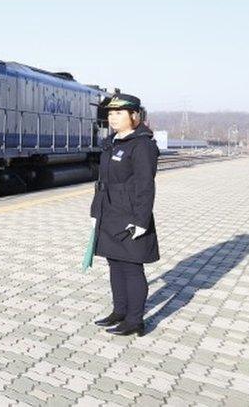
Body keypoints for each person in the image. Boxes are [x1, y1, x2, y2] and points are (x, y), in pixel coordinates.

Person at [89, 94, 160, 336]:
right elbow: (102, 182)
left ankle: (135, 320)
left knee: (131, 267)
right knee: (114, 264)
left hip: (130, 216)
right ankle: (119, 312)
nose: (112, 118)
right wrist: (95, 210)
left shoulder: (142, 145)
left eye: (119, 113)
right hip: (109, 213)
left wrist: (141, 221)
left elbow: (145, 186)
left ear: (134, 116)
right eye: (110, 114)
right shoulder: (112, 143)